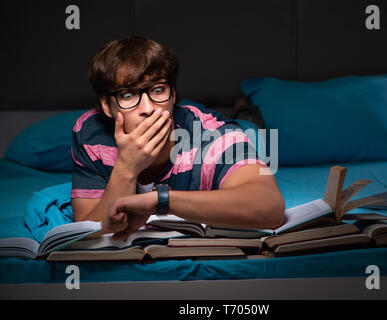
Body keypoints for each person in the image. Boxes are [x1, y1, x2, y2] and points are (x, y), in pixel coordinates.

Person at [71, 36, 285, 240]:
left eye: (158, 90)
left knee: (253, 131)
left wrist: (161, 201)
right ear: (107, 106)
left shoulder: (211, 133)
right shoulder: (90, 134)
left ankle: (244, 112)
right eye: (128, 95)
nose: (148, 108)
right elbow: (88, 230)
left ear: (172, 94)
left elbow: (270, 208)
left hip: (222, 130)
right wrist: (126, 167)